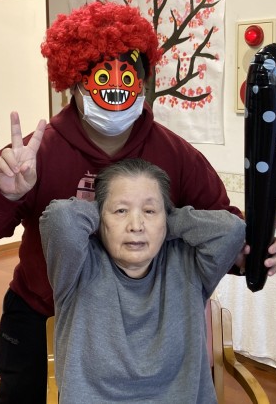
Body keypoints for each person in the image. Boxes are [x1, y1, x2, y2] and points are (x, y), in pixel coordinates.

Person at [0, 0, 276, 403]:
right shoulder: (35, 154)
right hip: (42, 310)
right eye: (101, 75)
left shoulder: (175, 155)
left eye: (128, 76)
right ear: (73, 80)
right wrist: (3, 193)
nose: (116, 87)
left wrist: (246, 254)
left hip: (142, 326)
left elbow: (220, 225)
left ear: (142, 80)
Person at [40, 158, 245, 403]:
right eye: (121, 211)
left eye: (149, 211)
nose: (136, 226)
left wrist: (168, 219)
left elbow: (232, 230)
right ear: (99, 217)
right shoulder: (78, 268)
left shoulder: (188, 266)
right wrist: (105, 210)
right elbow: (60, 218)